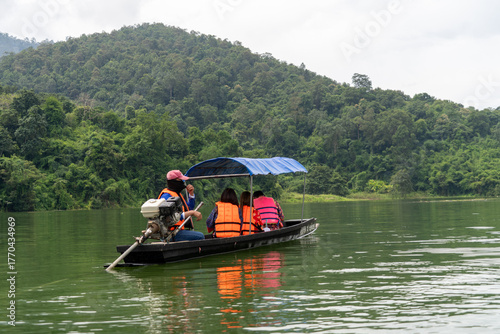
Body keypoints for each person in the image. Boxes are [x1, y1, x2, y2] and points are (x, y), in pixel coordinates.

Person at [157, 170, 205, 241]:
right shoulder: (166, 196)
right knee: (200, 236)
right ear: (174, 182)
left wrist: (191, 194)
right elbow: (171, 216)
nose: (183, 182)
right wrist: (192, 213)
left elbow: (188, 208)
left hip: (178, 231)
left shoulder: (177, 194)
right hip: (171, 233)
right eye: (180, 180)